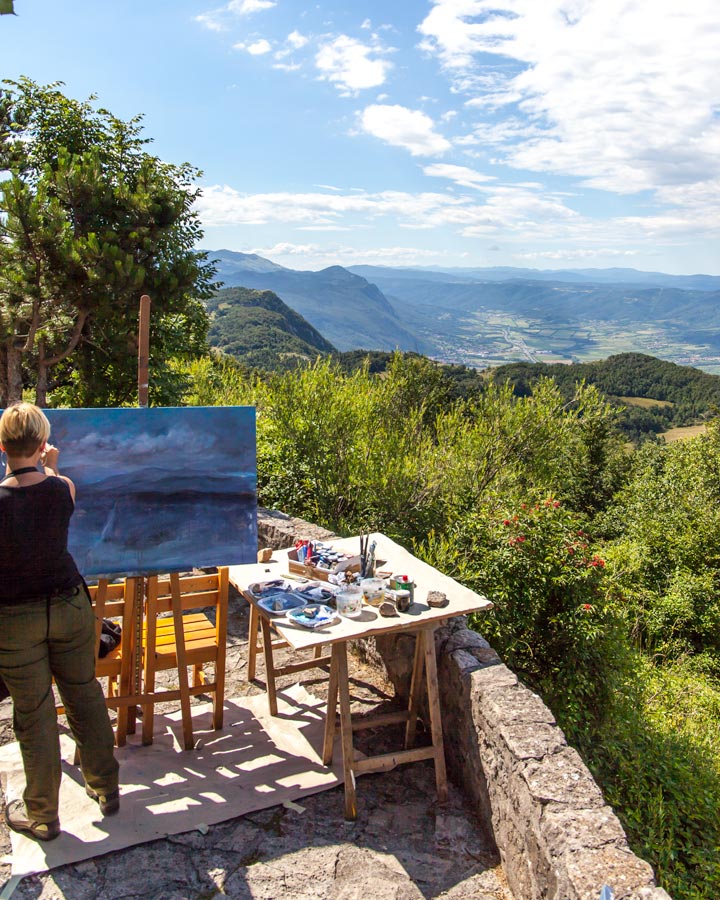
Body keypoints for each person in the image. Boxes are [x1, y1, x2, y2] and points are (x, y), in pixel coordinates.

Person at [0, 402, 119, 842]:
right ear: (43, 443)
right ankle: (106, 787)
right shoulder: (62, 487)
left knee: (33, 714)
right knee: (84, 694)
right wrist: (49, 467)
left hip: (15, 618)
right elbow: (50, 487)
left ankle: (44, 815)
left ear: (2, 446)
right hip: (69, 605)